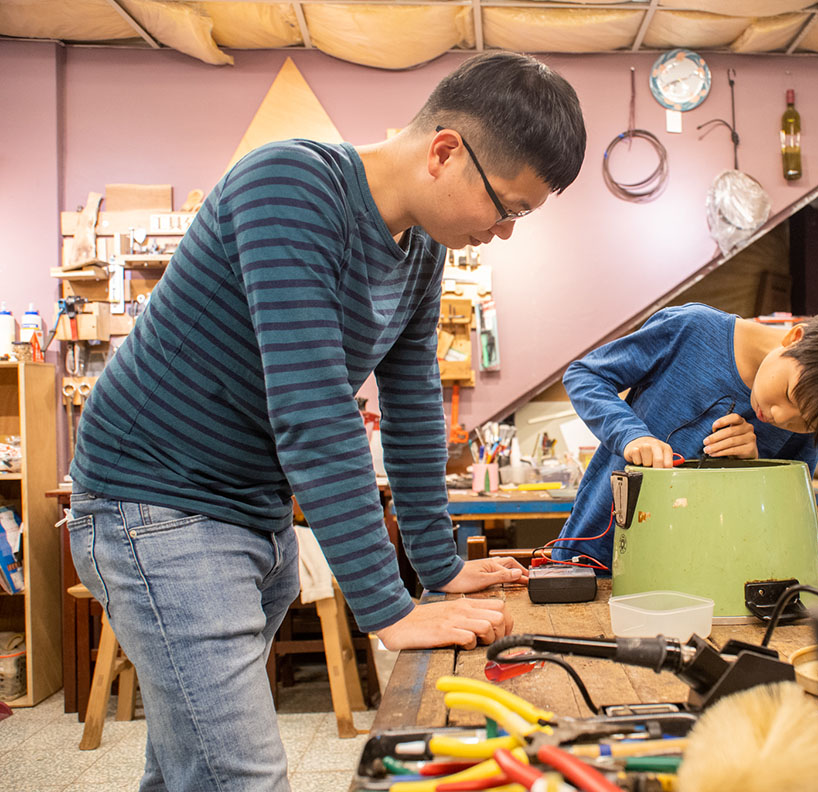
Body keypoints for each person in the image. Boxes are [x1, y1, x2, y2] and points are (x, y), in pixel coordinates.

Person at [65, 51, 586, 791]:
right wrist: (388, 608)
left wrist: (438, 568)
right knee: (240, 776)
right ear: (445, 150)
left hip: (249, 511)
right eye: (508, 206)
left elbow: (410, 410)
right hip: (155, 504)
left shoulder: (421, 255)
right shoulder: (289, 184)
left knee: (193, 769)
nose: (504, 231)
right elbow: (313, 411)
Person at [552, 302, 818, 569]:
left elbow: (782, 515)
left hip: (697, 582)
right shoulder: (691, 331)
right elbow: (586, 376)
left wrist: (755, 468)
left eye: (805, 423)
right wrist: (631, 435)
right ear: (794, 339)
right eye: (792, 395)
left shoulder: (815, 415)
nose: (779, 417)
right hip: (590, 560)